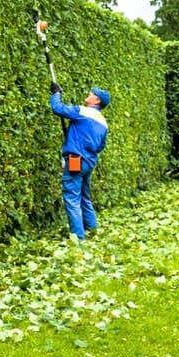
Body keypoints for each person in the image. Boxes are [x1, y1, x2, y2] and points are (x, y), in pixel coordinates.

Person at [49, 83, 111, 240]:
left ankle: (79, 239)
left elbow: (58, 109)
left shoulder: (83, 111)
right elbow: (100, 146)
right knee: (84, 195)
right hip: (89, 162)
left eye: (91, 94)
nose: (88, 95)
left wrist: (56, 93)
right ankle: (93, 230)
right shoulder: (103, 123)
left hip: (76, 159)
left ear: (96, 100)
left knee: (71, 196)